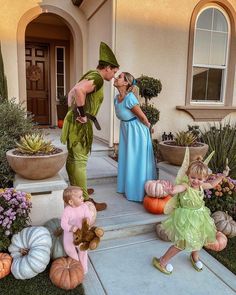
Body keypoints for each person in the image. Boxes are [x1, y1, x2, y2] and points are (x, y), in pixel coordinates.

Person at [61, 42, 119, 211]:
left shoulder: (91, 74)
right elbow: (79, 91)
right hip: (80, 123)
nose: (114, 76)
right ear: (107, 68)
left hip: (73, 121)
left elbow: (74, 91)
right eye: (114, 72)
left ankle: (75, 190)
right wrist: (82, 114)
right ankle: (84, 200)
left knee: (72, 158)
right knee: (80, 161)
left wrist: (73, 107)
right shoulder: (98, 78)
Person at [152, 157, 229, 274]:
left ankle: (194, 256)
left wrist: (222, 176)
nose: (195, 181)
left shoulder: (202, 186)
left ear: (204, 179)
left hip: (200, 217)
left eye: (199, 179)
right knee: (181, 243)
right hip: (186, 219)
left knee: (200, 238)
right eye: (193, 177)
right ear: (188, 175)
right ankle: (162, 261)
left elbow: (213, 184)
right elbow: (176, 189)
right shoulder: (186, 186)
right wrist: (170, 190)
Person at [114, 72, 157, 202]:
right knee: (128, 158)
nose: (116, 78)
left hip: (137, 132)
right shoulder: (116, 98)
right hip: (126, 130)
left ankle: (137, 192)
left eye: (120, 77)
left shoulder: (130, 98)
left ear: (126, 83)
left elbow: (142, 117)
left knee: (136, 160)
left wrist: (149, 127)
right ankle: (127, 187)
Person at [61, 186, 92, 274]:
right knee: (70, 250)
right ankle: (77, 265)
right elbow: (63, 224)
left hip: (81, 234)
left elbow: (88, 216)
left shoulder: (84, 206)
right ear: (71, 202)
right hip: (69, 236)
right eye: (80, 197)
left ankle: (84, 268)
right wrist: (71, 228)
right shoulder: (67, 211)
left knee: (83, 250)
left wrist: (87, 220)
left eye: (82, 196)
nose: (83, 198)